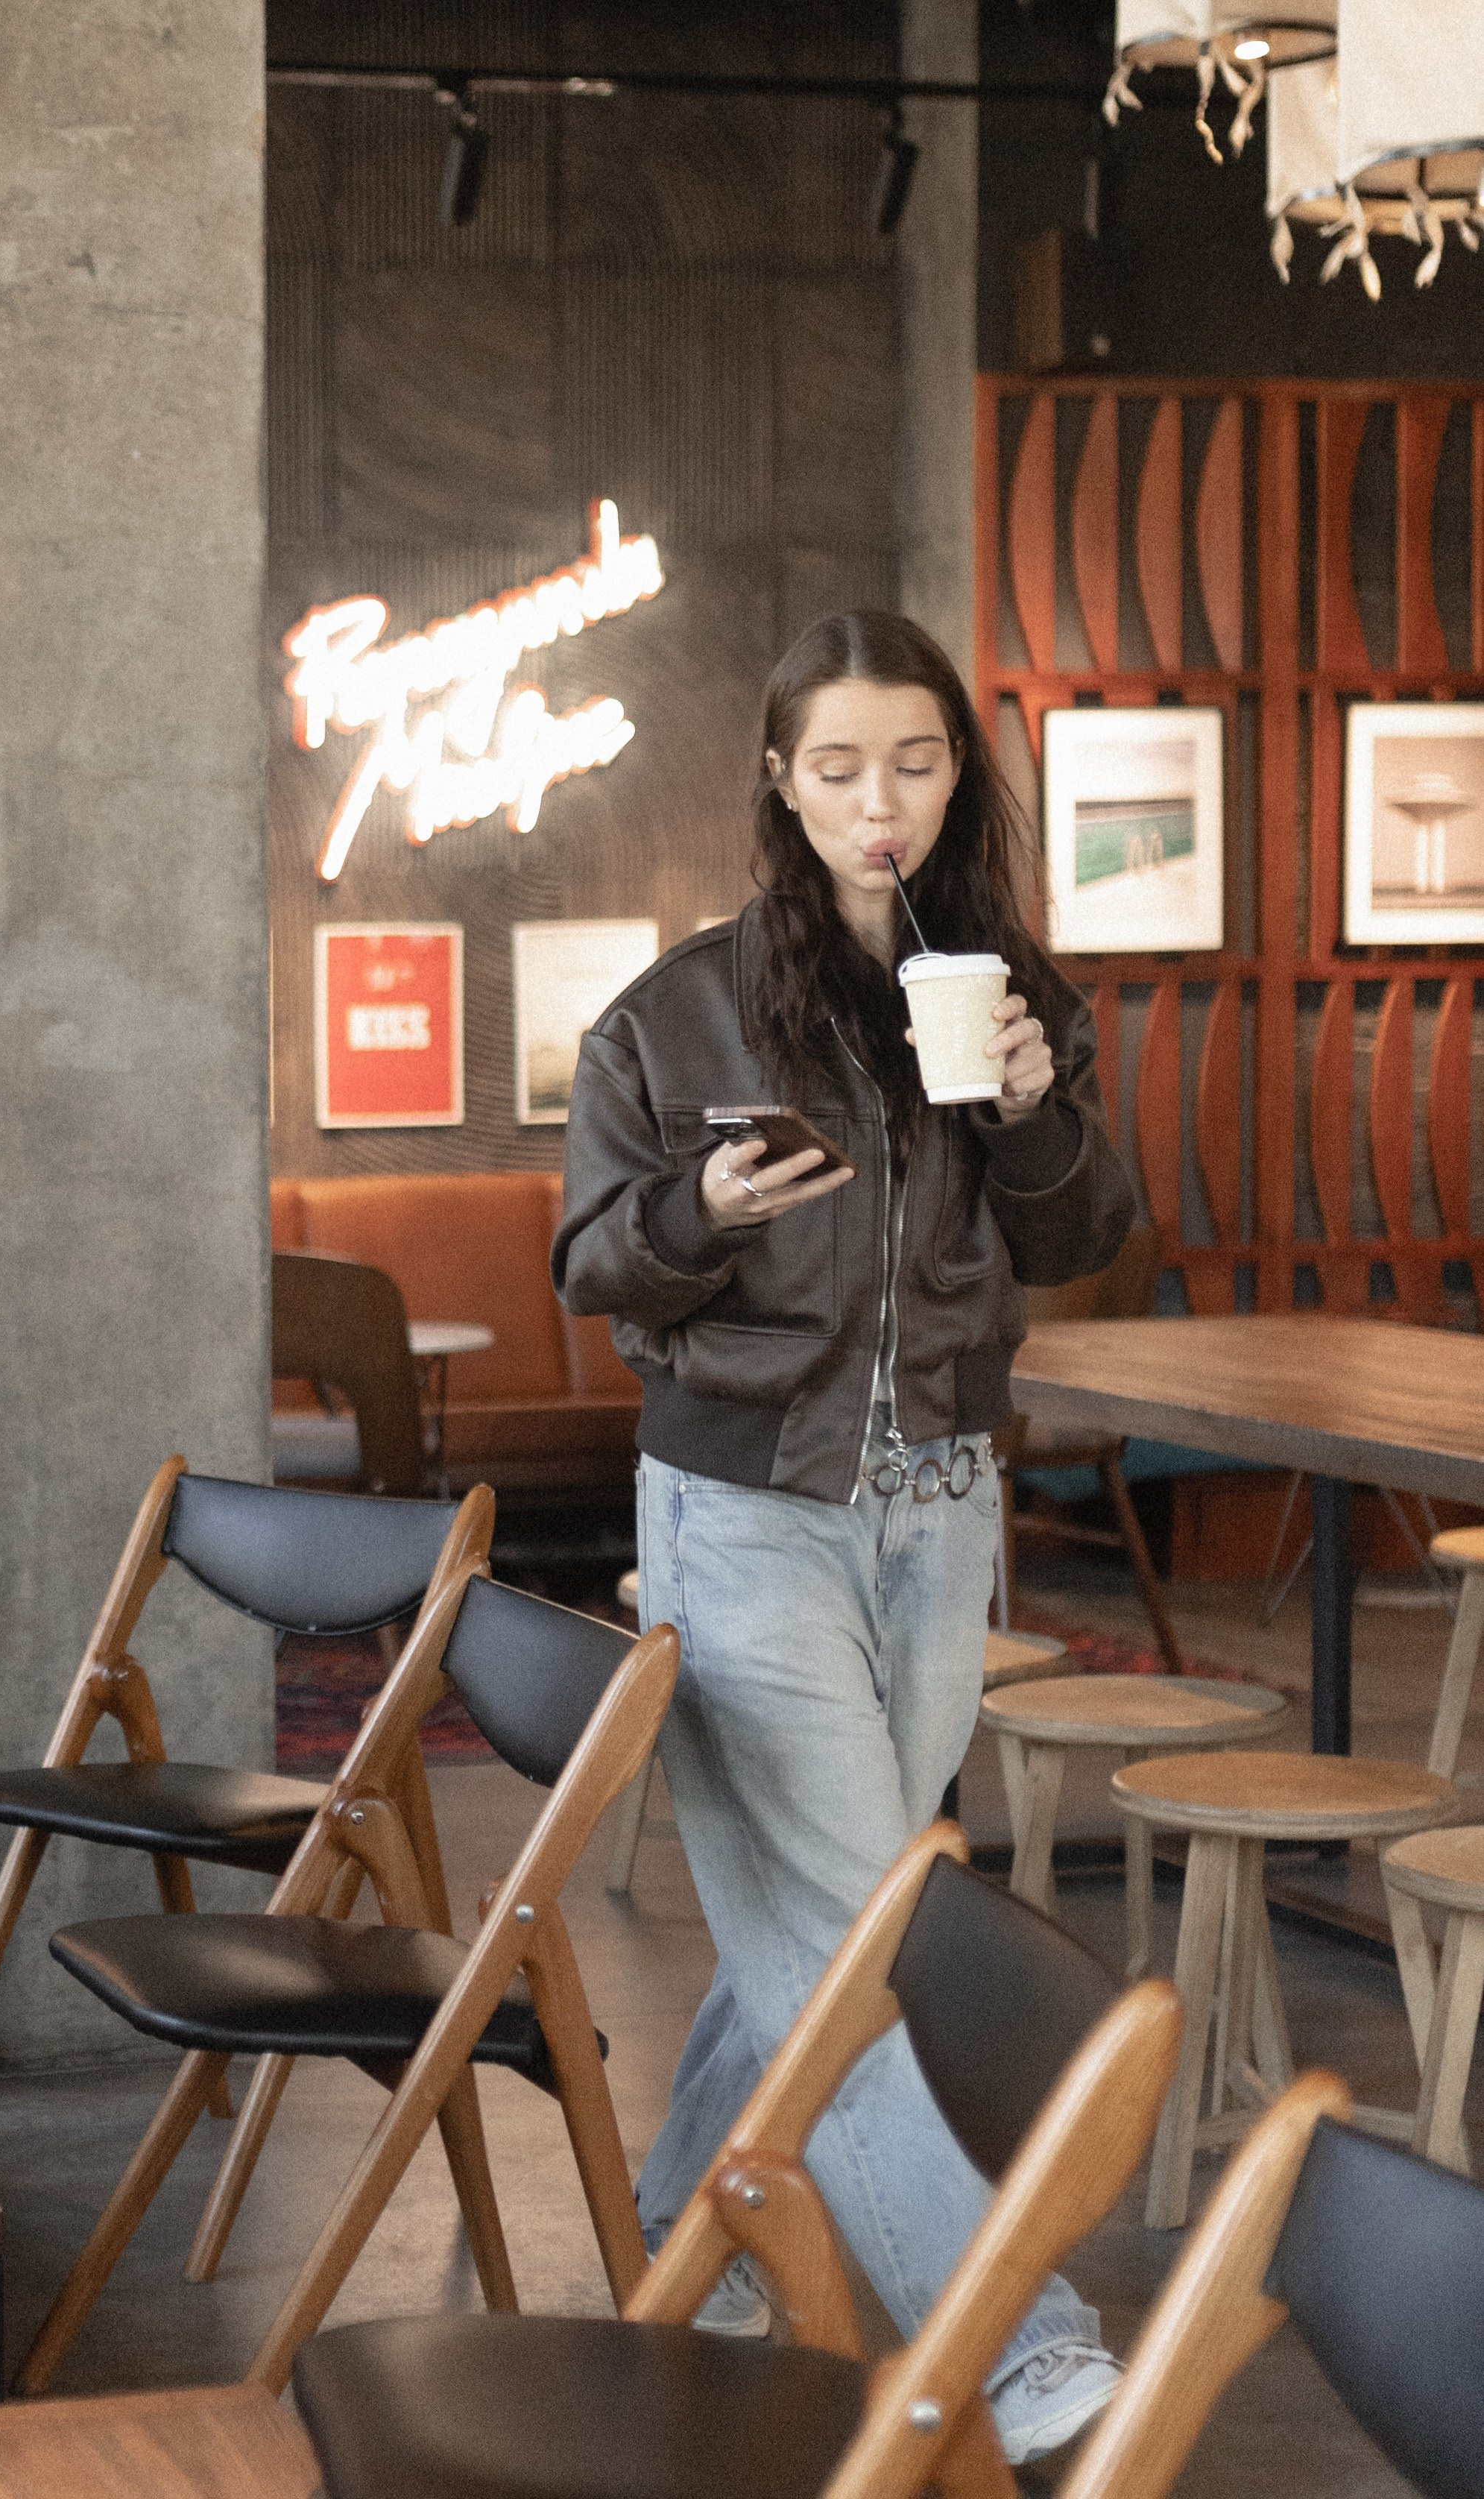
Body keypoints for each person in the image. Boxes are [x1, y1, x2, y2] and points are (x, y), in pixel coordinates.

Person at [552, 611, 1137, 2467]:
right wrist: (701, 1207)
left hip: (941, 1507)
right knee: (856, 1933)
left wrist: (1031, 1112)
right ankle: (1016, 2346)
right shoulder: (677, 1010)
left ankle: (688, 2224)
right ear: (779, 782)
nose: (876, 798)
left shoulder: (1010, 993)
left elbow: (1077, 1237)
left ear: (955, 772)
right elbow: (590, 1260)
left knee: (815, 1920)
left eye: (913, 760)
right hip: (746, 1510)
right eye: (836, 766)